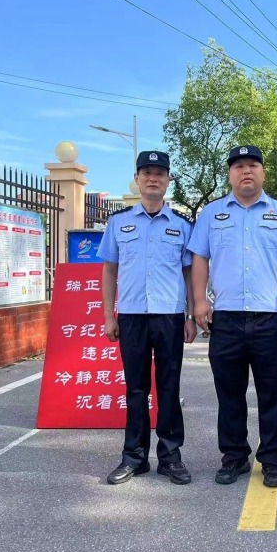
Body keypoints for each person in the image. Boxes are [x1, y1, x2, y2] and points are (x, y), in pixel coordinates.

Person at [187, 145, 277, 488]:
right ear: (230, 174)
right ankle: (234, 457)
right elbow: (199, 258)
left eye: (253, 164)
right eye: (239, 166)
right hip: (225, 318)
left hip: (269, 318)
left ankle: (273, 459)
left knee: (273, 394)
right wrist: (199, 302)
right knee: (229, 394)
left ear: (263, 172)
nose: (246, 171)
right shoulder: (212, 214)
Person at [98, 150, 197, 486]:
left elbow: (189, 274)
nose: (153, 178)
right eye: (147, 173)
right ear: (137, 179)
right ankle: (134, 458)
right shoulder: (118, 223)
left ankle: (170, 457)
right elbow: (109, 271)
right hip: (132, 316)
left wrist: (190, 316)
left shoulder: (182, 226)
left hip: (170, 316)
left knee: (169, 387)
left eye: (160, 173)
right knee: (136, 389)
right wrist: (109, 316)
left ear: (168, 180)